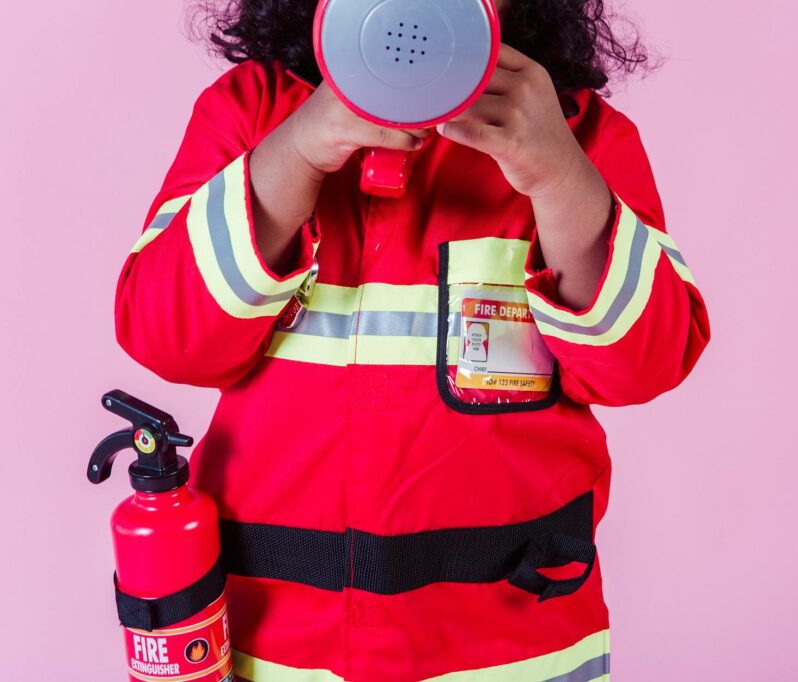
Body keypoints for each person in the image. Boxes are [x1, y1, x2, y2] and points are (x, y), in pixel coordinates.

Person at [113, 0, 711, 679]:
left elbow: (646, 364)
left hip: (513, 646)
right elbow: (168, 338)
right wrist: (297, 151)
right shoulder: (253, 112)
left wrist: (558, 173)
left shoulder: (579, 138)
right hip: (278, 647)